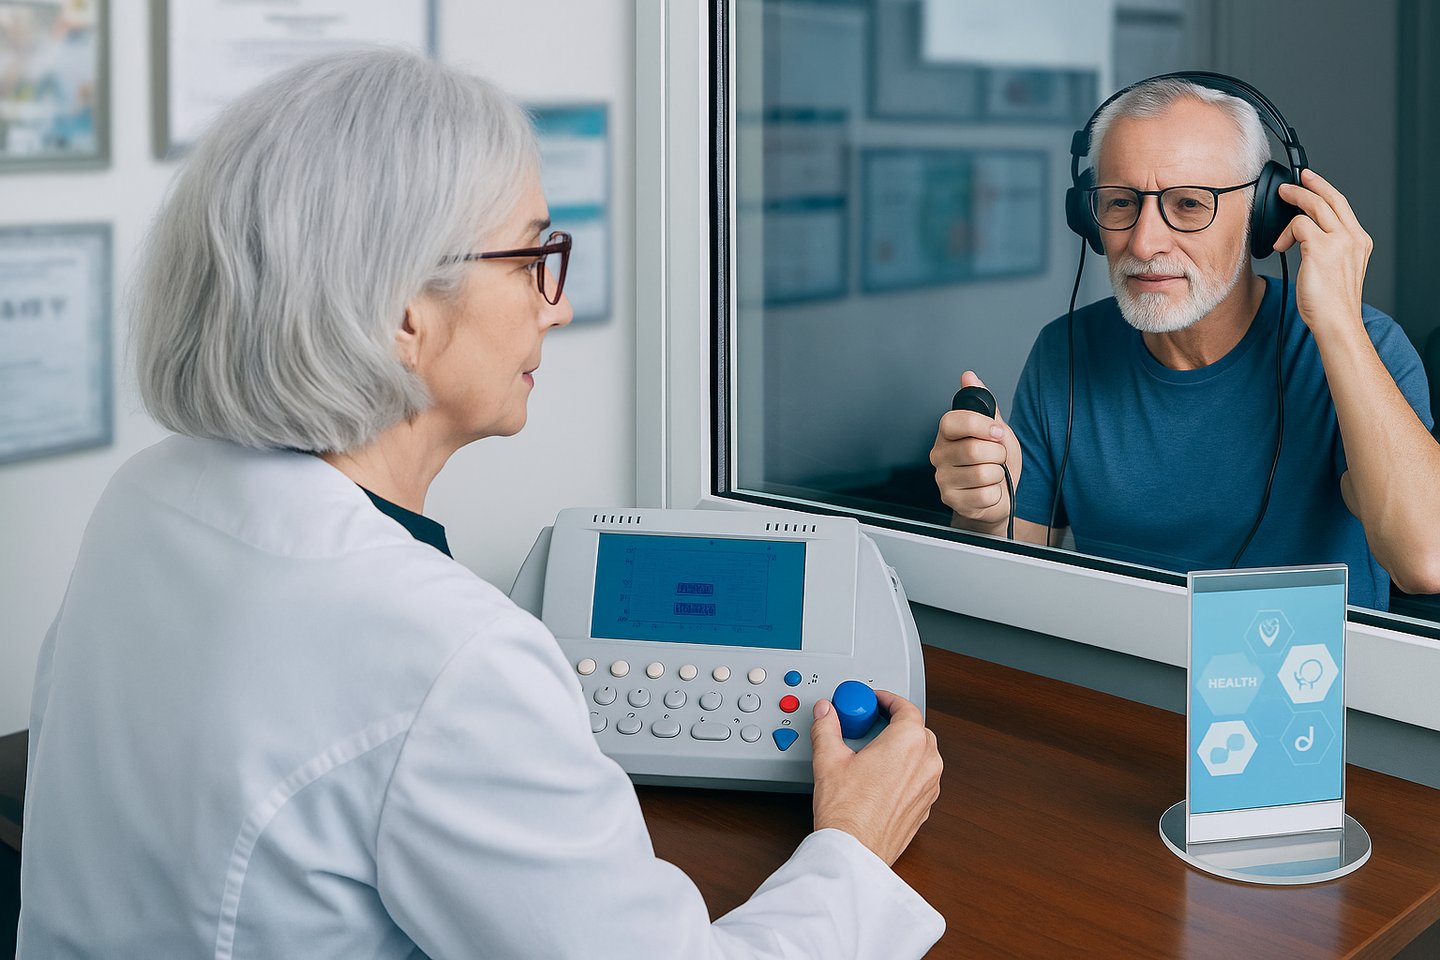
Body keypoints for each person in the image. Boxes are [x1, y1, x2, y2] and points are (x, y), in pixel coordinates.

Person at [18, 50, 944, 958]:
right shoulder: (450, 660)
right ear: (403, 314)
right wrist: (854, 846)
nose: (557, 307)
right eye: (534, 255)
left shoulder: (148, 498)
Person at [931, 76, 1438, 610]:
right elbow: (1011, 587)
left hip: (1302, 686)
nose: (1145, 243)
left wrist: (1337, 324)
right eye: (1121, 203)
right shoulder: (1065, 352)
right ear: (1087, 215)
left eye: (1190, 205)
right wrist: (982, 516)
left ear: (1264, 215)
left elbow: (1424, 561)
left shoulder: (1365, 346)